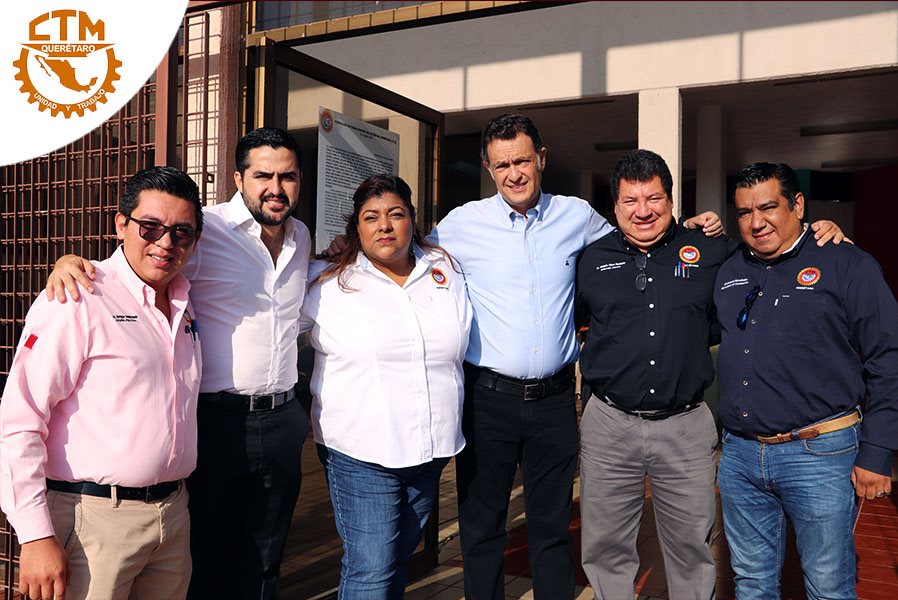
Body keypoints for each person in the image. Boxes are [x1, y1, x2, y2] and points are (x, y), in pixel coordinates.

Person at [429, 114, 724, 600]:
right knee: (482, 528)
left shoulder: (579, 217)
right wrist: (344, 250)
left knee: (551, 530)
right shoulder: (461, 225)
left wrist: (689, 227)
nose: (514, 174)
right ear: (489, 168)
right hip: (488, 400)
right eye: (502, 165)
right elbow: (404, 255)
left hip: (553, 402)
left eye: (523, 160)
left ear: (541, 159)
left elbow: (640, 237)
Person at [44, 127, 312, 599]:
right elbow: (142, 261)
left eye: (287, 177)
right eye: (262, 176)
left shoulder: (302, 237)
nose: (275, 188)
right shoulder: (205, 231)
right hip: (217, 420)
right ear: (239, 179)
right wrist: (70, 261)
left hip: (284, 417)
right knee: (207, 554)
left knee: (267, 552)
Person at [575, 151, 846, 599]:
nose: (643, 210)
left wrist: (820, 235)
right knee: (606, 549)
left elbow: (774, 250)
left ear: (671, 200)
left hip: (685, 425)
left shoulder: (711, 250)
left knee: (691, 550)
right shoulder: (590, 259)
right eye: (630, 201)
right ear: (615, 205)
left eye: (654, 198)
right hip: (609, 423)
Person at [0, 166, 204, 600]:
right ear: (121, 224)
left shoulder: (184, 301)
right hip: (93, 519)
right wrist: (34, 535)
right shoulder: (77, 296)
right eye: (150, 227)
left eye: (181, 233)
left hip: (172, 516)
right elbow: (20, 420)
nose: (165, 242)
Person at [713, 162, 898, 599]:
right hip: (740, 456)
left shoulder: (846, 263)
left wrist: (877, 451)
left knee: (828, 587)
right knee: (751, 583)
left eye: (768, 207)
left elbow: (888, 357)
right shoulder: (729, 269)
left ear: (798, 205)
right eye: (744, 212)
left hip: (821, 455)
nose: (756, 222)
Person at [302, 174, 471, 599]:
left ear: (412, 219)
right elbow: (270, 325)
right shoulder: (325, 280)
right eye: (371, 217)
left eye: (396, 214)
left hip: (430, 449)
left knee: (396, 560)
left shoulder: (445, 269)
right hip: (361, 452)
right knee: (372, 569)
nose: (384, 226)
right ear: (355, 227)